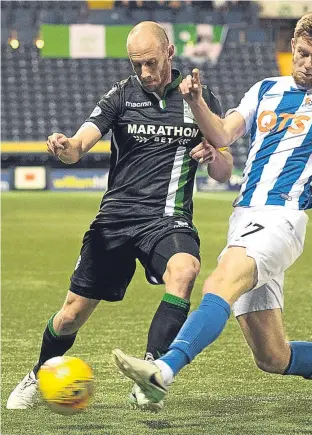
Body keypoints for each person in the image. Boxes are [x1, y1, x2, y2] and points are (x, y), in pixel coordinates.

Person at [112, 10, 312, 413]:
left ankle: (162, 371)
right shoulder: (264, 89)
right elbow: (222, 133)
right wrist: (196, 102)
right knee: (272, 356)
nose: (306, 64)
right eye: (301, 53)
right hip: (244, 218)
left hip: (282, 219)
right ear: (293, 46)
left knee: (218, 283)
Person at [6, 21, 233, 411]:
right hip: (115, 219)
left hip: (168, 217)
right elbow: (79, 145)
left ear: (170, 54)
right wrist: (64, 147)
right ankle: (38, 372)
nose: (145, 73)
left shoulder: (199, 97)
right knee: (70, 317)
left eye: (151, 62)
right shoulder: (121, 96)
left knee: (185, 270)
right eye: (136, 65)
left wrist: (213, 155)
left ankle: (151, 373)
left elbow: (225, 169)